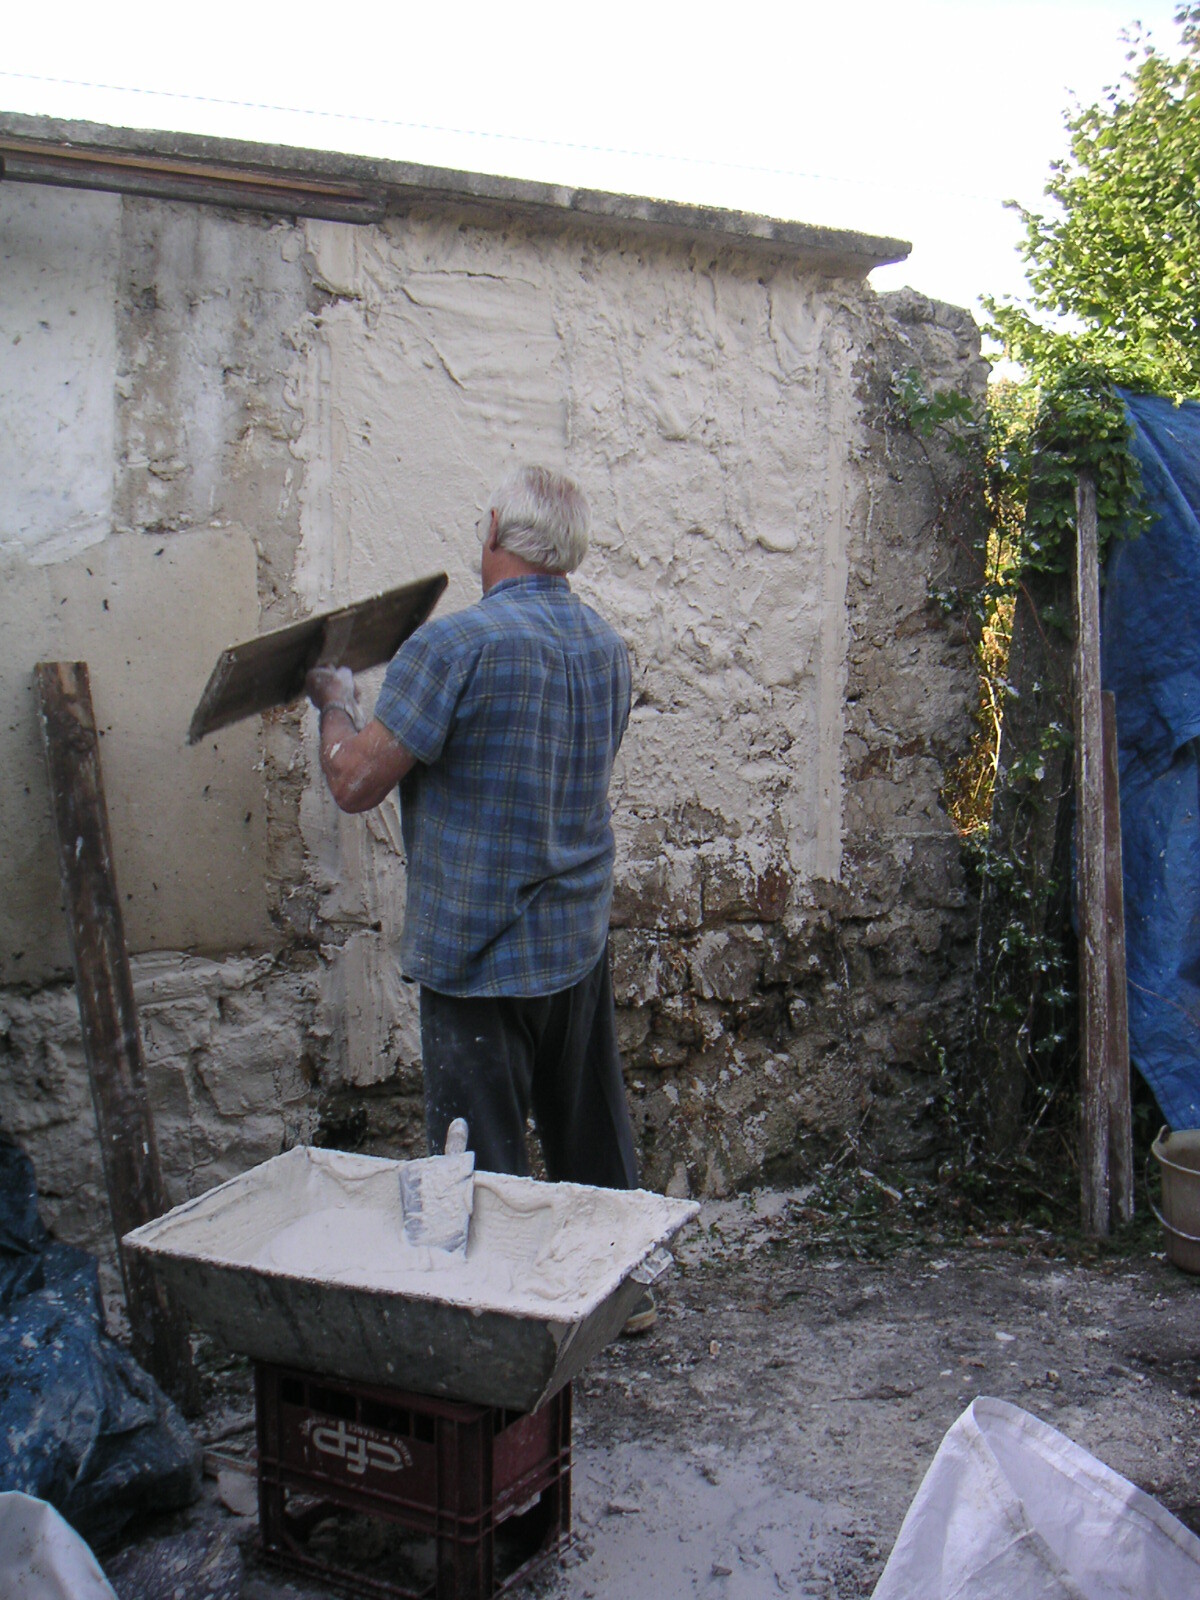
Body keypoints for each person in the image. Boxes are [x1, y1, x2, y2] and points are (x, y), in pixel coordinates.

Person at [305, 464, 642, 1202]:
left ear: (492, 530)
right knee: (594, 1155)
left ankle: (504, 1280)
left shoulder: (452, 646)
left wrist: (335, 702)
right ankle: (627, 1268)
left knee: (481, 1181)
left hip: (479, 956)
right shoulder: (607, 646)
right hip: (574, 941)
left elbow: (354, 783)